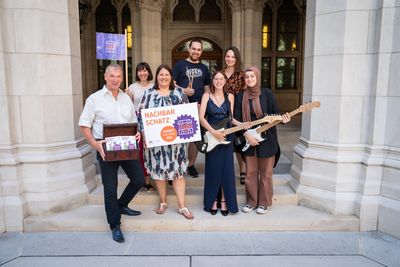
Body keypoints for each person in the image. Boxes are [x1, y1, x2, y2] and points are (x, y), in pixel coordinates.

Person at [79, 63, 145, 243]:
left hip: (126, 146)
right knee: (110, 187)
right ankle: (115, 224)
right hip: (105, 148)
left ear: (122, 78)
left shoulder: (126, 98)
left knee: (139, 179)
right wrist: (95, 144)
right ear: (106, 77)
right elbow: (84, 125)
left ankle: (121, 205)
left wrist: (136, 132)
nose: (115, 79)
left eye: (118, 76)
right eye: (112, 76)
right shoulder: (94, 99)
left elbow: (132, 122)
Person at [138, 64, 194, 219]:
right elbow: (141, 116)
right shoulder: (148, 94)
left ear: (171, 77)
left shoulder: (179, 94)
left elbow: (186, 117)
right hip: (155, 143)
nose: (164, 77)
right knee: (158, 172)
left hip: (176, 144)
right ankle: (163, 202)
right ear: (156, 77)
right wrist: (144, 135)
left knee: (178, 173)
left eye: (167, 75)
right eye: (161, 74)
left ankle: (182, 206)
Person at [233, 66, 290, 214]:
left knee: (266, 173)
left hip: (268, 138)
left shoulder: (267, 94)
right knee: (251, 172)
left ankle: (264, 202)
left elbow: (276, 114)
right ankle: (251, 201)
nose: (250, 79)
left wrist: (284, 119)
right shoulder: (240, 96)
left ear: (257, 77)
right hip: (249, 138)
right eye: (247, 77)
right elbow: (237, 120)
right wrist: (247, 135)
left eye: (252, 76)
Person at [199, 71, 243, 216]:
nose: (218, 81)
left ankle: (224, 200)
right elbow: (201, 118)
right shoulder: (206, 96)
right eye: (216, 79)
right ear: (212, 81)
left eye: (221, 79)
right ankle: (212, 200)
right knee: (212, 170)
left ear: (225, 81)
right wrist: (213, 132)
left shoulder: (230, 96)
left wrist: (243, 124)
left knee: (226, 171)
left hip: (226, 137)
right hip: (212, 136)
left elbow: (231, 119)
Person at [172, 38, 211, 178]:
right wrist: (183, 90)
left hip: (199, 107)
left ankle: (191, 165)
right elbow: (172, 84)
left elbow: (207, 88)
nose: (196, 51)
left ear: (201, 51)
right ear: (189, 49)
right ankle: (178, 164)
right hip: (181, 106)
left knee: (195, 137)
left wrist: (205, 105)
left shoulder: (204, 68)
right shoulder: (180, 65)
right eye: (193, 49)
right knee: (180, 137)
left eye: (199, 49)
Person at [126, 62, 155, 192]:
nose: (142, 73)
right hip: (138, 121)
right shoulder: (132, 87)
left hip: (153, 121)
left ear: (148, 71)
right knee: (141, 151)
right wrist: (126, 95)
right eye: (139, 71)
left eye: (144, 70)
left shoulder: (155, 86)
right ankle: (145, 181)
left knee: (153, 150)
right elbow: (128, 105)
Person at [221, 46, 247, 185]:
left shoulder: (242, 75)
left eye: (232, 56)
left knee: (239, 143)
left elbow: (245, 94)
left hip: (238, 110)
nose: (229, 59)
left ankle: (243, 170)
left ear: (236, 59)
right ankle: (226, 171)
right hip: (221, 110)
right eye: (227, 56)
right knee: (225, 141)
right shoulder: (219, 73)